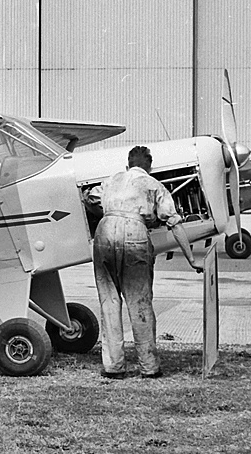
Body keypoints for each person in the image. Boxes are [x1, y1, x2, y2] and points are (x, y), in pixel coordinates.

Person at [85, 146, 203, 379]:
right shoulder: (153, 185)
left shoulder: (112, 180)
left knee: (109, 301)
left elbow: (89, 197)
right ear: (149, 167)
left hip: (105, 230)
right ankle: (148, 367)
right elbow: (174, 224)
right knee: (139, 301)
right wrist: (191, 258)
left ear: (128, 164)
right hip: (135, 232)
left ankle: (113, 366)